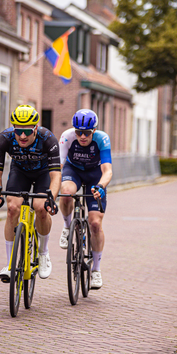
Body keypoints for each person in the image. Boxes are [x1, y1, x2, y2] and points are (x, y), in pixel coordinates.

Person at [0, 104, 61, 282]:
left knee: (41, 208)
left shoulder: (48, 139)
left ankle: (44, 254)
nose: (22, 136)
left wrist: (50, 199)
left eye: (28, 132)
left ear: (36, 129)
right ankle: (10, 264)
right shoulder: (3, 139)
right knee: (12, 208)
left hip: (43, 173)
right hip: (20, 172)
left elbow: (55, 175)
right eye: (18, 131)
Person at [58, 109, 113, 290]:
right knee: (66, 193)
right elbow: (58, 167)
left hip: (94, 175)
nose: (82, 136)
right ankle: (67, 227)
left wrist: (101, 186)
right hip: (73, 171)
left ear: (94, 131)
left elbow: (107, 171)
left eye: (86, 133)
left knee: (95, 223)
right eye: (79, 132)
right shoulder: (66, 137)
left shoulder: (102, 139)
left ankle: (96, 270)